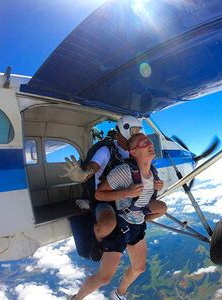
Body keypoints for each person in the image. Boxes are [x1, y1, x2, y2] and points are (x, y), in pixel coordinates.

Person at [70, 133, 166, 300]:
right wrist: (127, 192)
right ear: (133, 152)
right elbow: (99, 194)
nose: (150, 144)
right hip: (121, 226)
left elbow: (146, 199)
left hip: (137, 224)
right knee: (104, 278)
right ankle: (76, 298)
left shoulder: (153, 173)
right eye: (144, 142)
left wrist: (157, 185)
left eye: (149, 141)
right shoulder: (124, 171)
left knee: (140, 268)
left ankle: (120, 294)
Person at [61, 115, 143, 261]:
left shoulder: (135, 152)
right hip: (105, 197)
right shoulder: (106, 150)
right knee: (107, 224)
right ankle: (97, 241)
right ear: (125, 131)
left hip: (127, 197)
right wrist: (82, 174)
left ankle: (131, 232)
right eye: (134, 130)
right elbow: (92, 168)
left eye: (139, 130)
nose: (138, 134)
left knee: (159, 208)